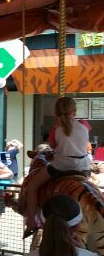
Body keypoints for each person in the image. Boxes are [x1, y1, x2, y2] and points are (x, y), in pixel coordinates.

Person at [24, 97, 91, 235]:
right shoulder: (84, 124)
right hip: (83, 167)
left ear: (56, 112)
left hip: (62, 166)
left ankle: (31, 222)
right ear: (74, 111)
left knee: (32, 187)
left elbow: (53, 146)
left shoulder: (56, 129)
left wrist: (56, 125)